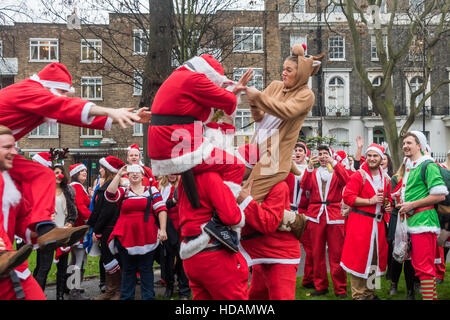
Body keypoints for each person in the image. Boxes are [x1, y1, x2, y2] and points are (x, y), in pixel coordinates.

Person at [0, 62, 147, 267]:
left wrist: (128, 117)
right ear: (50, 86)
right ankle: (4, 248)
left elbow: (75, 116)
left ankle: (43, 229)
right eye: (62, 92)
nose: (65, 97)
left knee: (42, 175)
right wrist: (111, 111)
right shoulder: (30, 91)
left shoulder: (40, 98)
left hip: (2, 152)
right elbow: (66, 108)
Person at [146, 54, 253, 197]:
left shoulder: (179, 76)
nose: (217, 85)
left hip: (168, 144)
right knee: (236, 166)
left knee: (204, 173)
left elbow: (205, 113)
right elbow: (228, 101)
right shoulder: (195, 79)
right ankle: (223, 208)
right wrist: (233, 90)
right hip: (178, 146)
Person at [243, 44, 323, 206]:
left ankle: (292, 222)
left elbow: (286, 111)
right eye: (283, 69)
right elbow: (259, 117)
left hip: (274, 159)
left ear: (300, 74)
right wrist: (253, 104)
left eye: (289, 70)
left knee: (245, 197)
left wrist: (258, 98)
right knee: (227, 180)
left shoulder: (306, 95)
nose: (283, 73)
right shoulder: (274, 86)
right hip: (254, 149)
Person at [238, 148, 301, 300]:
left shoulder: (278, 186)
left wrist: (246, 202)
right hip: (259, 253)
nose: (235, 166)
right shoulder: (242, 187)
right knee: (255, 297)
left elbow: (269, 223)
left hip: (280, 255)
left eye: (239, 163)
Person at [177, 170, 248, 300]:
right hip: (214, 256)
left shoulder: (185, 178)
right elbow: (233, 218)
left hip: (191, 256)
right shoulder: (210, 176)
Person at [105, 164, 167, 300]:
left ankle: (148, 297)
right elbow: (109, 195)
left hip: (147, 236)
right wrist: (119, 174)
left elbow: (161, 209)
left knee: (146, 270)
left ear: (142, 175)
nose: (134, 175)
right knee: (128, 270)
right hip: (126, 237)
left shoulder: (152, 190)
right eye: (131, 173)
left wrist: (162, 229)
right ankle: (126, 297)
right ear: (128, 175)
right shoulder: (124, 191)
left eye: (137, 172)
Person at [399, 131, 448, 300]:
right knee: (422, 268)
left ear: (419, 145)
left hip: (424, 222)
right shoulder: (411, 166)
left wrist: (411, 205)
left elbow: (440, 195)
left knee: (424, 269)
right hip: (413, 222)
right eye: (404, 143)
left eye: (409, 143)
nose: (405, 146)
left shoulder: (428, 165)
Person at [341, 143, 392, 300]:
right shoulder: (358, 176)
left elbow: (387, 199)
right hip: (360, 224)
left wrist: (388, 206)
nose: (371, 158)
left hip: (378, 226)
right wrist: (370, 200)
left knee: (374, 262)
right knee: (358, 261)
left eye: (375, 156)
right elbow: (348, 197)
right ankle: (358, 296)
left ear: (381, 158)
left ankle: (370, 294)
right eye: (369, 155)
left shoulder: (386, 179)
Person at [0, 125, 45, 300]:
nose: (14, 151)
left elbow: (19, 220)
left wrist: (40, 232)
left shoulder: (11, 183)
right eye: (7, 147)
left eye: (14, 146)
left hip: (9, 263)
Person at [300, 145, 348, 297]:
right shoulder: (313, 172)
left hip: (334, 215)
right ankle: (321, 286)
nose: (322, 156)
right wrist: (308, 168)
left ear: (330, 155)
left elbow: (347, 179)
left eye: (325, 153)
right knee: (317, 252)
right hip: (315, 215)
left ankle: (340, 288)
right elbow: (304, 186)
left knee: (337, 254)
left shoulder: (336, 171)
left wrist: (334, 163)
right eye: (320, 154)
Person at [33, 164, 78, 300]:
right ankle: (38, 295)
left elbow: (73, 211)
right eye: (55, 172)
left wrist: (70, 222)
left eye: (60, 172)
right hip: (48, 233)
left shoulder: (68, 191)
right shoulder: (44, 191)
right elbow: (36, 211)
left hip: (64, 233)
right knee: (44, 267)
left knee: (62, 268)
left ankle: (60, 296)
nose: (58, 175)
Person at [87, 156, 125, 300]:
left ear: (109, 170)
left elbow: (105, 212)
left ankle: (117, 290)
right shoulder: (104, 186)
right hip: (106, 227)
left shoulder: (110, 187)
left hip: (109, 228)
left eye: (102, 168)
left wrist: (96, 229)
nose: (100, 170)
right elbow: (98, 210)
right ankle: (111, 290)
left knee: (111, 258)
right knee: (107, 259)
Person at [156, 174, 191, 299]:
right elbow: (158, 207)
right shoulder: (160, 187)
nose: (172, 175)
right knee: (168, 261)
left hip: (183, 227)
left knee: (183, 260)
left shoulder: (184, 185)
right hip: (168, 228)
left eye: (175, 172)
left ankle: (184, 291)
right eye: (170, 172)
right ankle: (169, 287)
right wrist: (172, 201)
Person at [387, 163, 417, 300]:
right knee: (398, 253)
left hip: (414, 219)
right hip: (398, 218)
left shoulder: (417, 178)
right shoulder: (396, 179)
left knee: (411, 255)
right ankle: (394, 283)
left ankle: (411, 290)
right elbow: (393, 200)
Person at [68, 163, 91, 300]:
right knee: (80, 261)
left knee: (74, 259)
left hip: (76, 228)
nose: (85, 173)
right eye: (82, 171)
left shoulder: (76, 187)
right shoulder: (76, 187)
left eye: (86, 171)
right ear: (75, 174)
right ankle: (74, 291)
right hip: (80, 228)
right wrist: (92, 218)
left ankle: (70, 286)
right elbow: (80, 207)